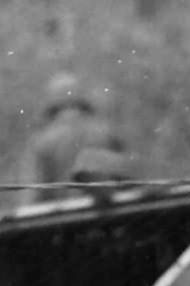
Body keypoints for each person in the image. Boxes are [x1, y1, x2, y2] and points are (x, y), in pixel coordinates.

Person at [21, 72, 132, 203]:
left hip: (62, 219)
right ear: (82, 100)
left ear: (52, 103)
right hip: (107, 215)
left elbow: (34, 195)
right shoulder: (106, 133)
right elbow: (127, 182)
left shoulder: (42, 142)